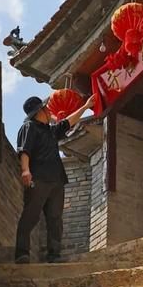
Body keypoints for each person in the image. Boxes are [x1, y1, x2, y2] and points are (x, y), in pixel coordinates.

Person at [15, 93, 95, 264]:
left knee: (55, 218)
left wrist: (86, 106)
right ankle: (22, 253)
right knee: (31, 215)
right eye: (46, 108)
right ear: (39, 112)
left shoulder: (50, 131)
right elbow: (24, 150)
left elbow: (67, 122)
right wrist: (25, 170)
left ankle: (54, 254)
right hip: (38, 178)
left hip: (57, 179)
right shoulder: (29, 127)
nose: (49, 110)